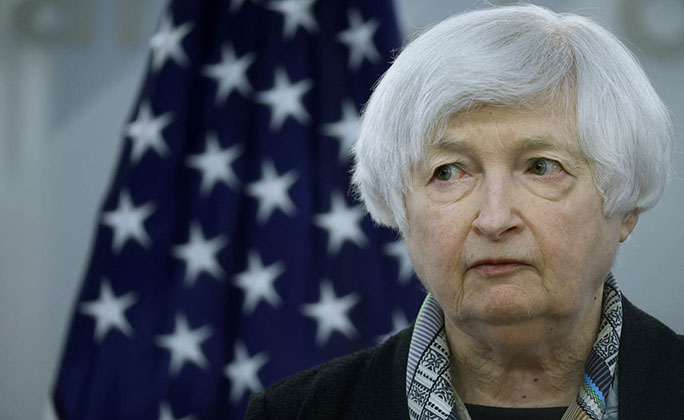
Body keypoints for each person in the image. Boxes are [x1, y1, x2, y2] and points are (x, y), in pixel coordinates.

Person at [245, 4, 684, 419]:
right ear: (400, 208)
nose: (494, 219)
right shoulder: (296, 412)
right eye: (449, 172)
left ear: (624, 206)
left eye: (541, 167)